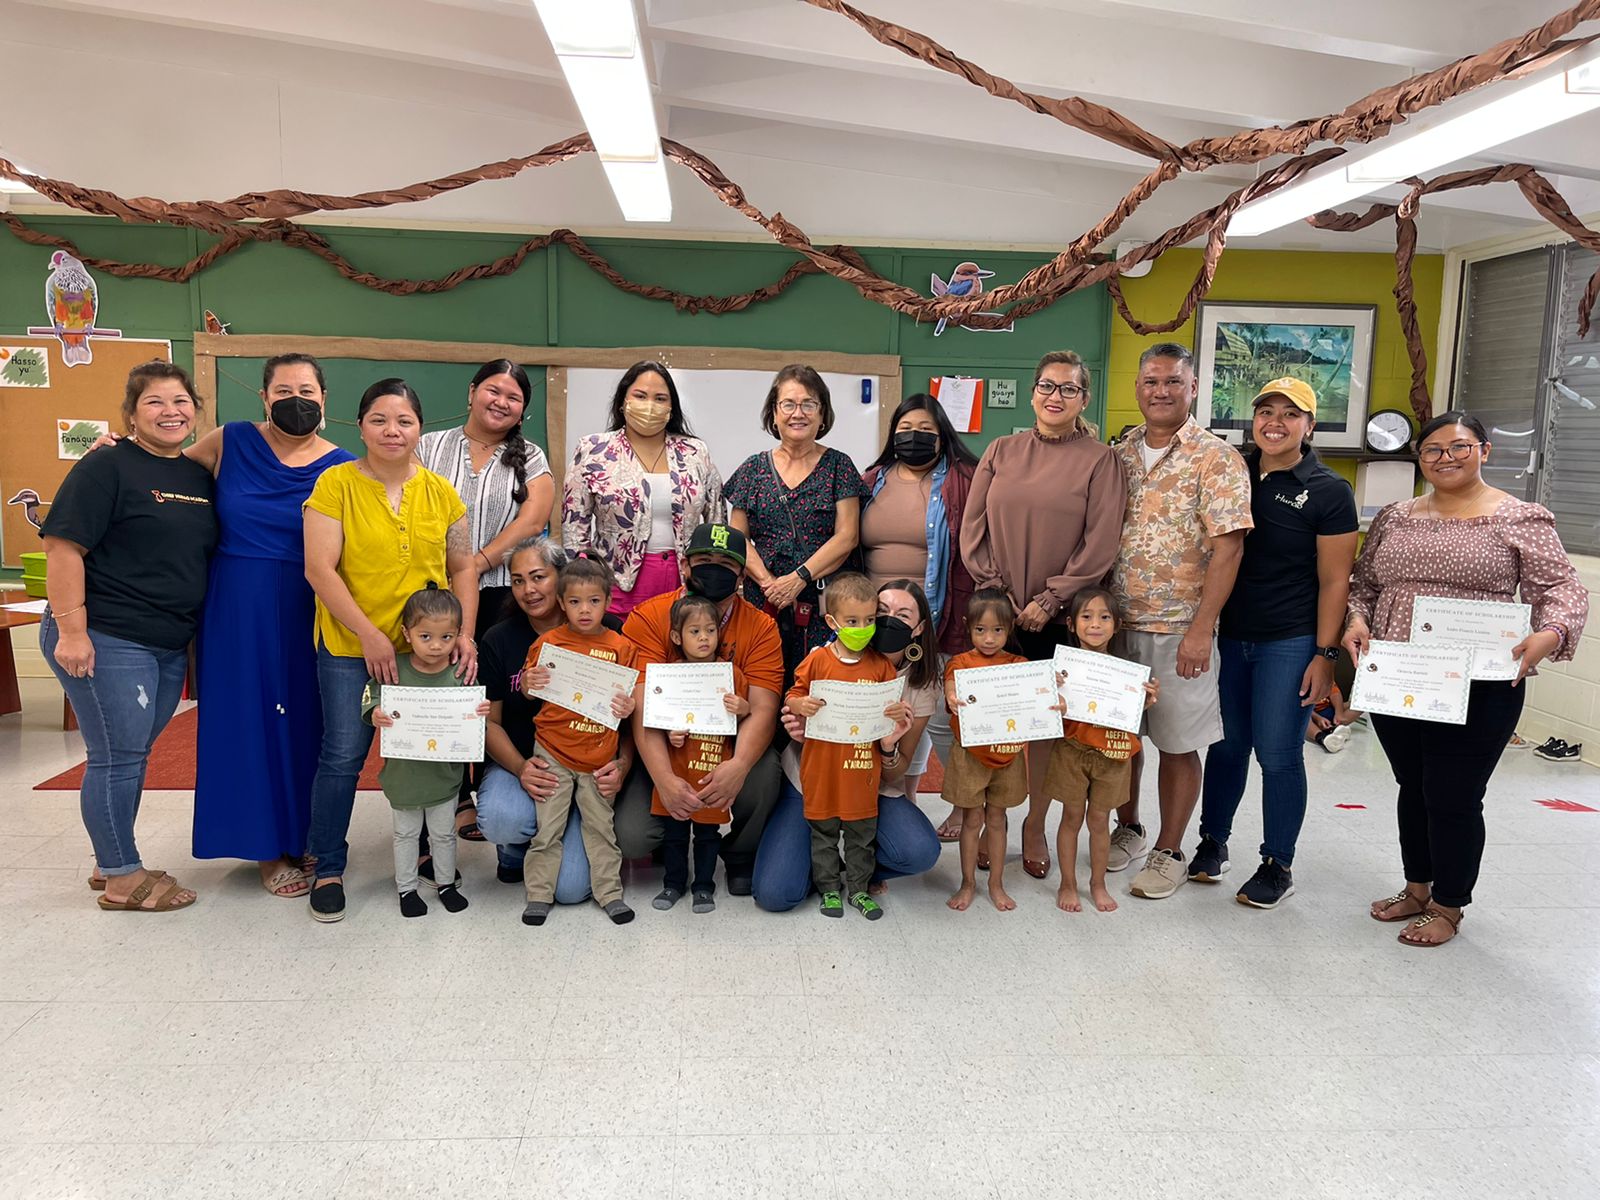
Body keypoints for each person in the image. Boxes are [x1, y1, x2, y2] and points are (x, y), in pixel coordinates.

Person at [86, 352, 354, 897]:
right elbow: (161, 469)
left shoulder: (345, 465)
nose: (294, 400)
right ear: (264, 397)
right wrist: (114, 450)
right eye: (282, 390)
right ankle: (261, 847)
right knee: (246, 721)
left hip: (312, 602)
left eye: (306, 390)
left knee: (307, 720)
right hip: (236, 602)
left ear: (324, 400)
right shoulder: (231, 440)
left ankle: (300, 831)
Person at [1345, 412, 1587, 947]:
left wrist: (1549, 633)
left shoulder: (1519, 517)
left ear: (1485, 450)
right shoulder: (1395, 516)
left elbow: (1563, 590)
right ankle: (1416, 887)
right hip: (1402, 675)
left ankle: (1450, 904)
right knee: (1414, 784)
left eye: (1459, 447)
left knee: (1453, 793)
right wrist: (1358, 620)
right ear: (1419, 458)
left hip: (1480, 681)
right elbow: (1364, 583)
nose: (1445, 458)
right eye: (1432, 450)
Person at [39, 360, 218, 913]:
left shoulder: (194, 473)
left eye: (180, 402)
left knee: (132, 753)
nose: (171, 412)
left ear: (195, 410)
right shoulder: (107, 466)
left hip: (166, 642)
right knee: (116, 756)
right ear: (130, 415)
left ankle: (108, 855)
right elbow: (64, 547)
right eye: (155, 403)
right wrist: (72, 631)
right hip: (105, 634)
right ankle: (120, 877)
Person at [302, 378, 479, 924]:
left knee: (428, 751)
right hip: (351, 647)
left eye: (404, 421)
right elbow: (318, 568)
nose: (392, 430)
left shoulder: (441, 493)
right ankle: (328, 866)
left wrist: (464, 632)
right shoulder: (335, 485)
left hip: (426, 652)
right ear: (361, 427)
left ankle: (426, 854)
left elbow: (462, 567)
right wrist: (369, 635)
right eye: (380, 420)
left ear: (420, 430)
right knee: (343, 754)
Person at [1188, 379, 1358, 909]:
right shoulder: (1232, 471)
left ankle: (1276, 863)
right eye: (1265, 411)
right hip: (1231, 635)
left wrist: (1324, 657)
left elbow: (1335, 582)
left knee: (1279, 752)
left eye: (1291, 413)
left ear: (1310, 425)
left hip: (1289, 639)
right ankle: (1212, 843)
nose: (1275, 422)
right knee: (1226, 744)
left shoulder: (1328, 490)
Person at [960, 350, 1126, 878]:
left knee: (1050, 732)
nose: (1056, 397)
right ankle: (993, 818)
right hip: (1000, 614)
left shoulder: (1102, 460)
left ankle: (1034, 825)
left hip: (1063, 619)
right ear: (1033, 392)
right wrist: (998, 592)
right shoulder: (1001, 451)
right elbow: (973, 528)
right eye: (1047, 386)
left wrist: (1050, 599)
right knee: (996, 722)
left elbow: (1102, 542)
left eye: (1069, 389)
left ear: (1084, 398)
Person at [1108, 342, 1252, 901]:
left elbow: (1229, 550)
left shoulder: (1215, 458)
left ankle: (1170, 847)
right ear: (1137, 388)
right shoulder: (1119, 454)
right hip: (1115, 627)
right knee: (1121, 739)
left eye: (1172, 382)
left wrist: (1200, 631)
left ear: (1193, 389)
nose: (1160, 391)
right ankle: (1130, 828)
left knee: (1176, 742)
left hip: (1178, 630)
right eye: (1150, 382)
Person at [417, 359, 553, 840]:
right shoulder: (428, 445)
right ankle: (450, 798)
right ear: (473, 391)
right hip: (430, 595)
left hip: (500, 591)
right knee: (441, 689)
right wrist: (455, 569)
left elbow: (535, 517)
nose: (501, 402)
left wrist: (478, 560)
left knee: (483, 693)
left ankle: (484, 785)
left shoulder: (530, 457)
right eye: (493, 391)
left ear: (522, 412)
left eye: (513, 397)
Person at [754, 580, 944, 912]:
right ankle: (821, 867)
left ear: (919, 628)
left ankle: (853, 871)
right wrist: (799, 721)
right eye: (880, 612)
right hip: (814, 780)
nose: (884, 622)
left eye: (902, 615)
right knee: (776, 893)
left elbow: (899, 769)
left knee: (918, 850)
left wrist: (887, 747)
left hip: (869, 784)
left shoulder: (915, 682)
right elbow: (794, 697)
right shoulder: (822, 658)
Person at [620, 523, 786, 895]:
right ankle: (671, 837)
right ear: (685, 565)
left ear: (742, 575)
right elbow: (642, 706)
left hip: (725, 744)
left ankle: (740, 854)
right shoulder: (649, 617)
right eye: (704, 560)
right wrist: (664, 779)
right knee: (631, 838)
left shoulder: (760, 627)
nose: (714, 569)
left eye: (726, 563)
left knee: (762, 774)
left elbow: (763, 708)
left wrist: (739, 766)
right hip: (668, 744)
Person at [860, 393, 979, 836]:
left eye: (927, 431)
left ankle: (964, 805)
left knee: (944, 715)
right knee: (898, 708)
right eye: (906, 429)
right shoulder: (870, 479)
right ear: (892, 435)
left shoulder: (962, 480)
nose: (914, 438)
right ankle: (903, 796)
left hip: (938, 614)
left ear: (943, 435)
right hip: (873, 620)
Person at [474, 537, 614, 902]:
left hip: (586, 767)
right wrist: (521, 768)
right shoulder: (499, 638)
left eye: (538, 577)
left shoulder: (609, 631)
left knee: (569, 890)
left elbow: (630, 714)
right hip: (526, 764)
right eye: (517, 580)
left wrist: (624, 762)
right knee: (503, 817)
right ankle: (515, 849)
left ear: (561, 576)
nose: (528, 590)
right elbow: (489, 722)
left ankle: (556, 837)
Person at [725, 364, 868, 681]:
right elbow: (737, 538)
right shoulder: (752, 468)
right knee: (762, 684)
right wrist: (769, 584)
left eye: (809, 404)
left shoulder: (839, 466)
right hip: (765, 602)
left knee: (818, 690)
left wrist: (798, 578)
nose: (798, 413)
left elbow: (847, 536)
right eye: (788, 404)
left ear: (822, 414)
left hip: (824, 604)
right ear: (774, 414)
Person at [518, 556, 640, 927]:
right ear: (561, 602)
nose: (584, 610)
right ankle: (539, 894)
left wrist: (629, 704)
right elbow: (528, 691)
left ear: (608, 601)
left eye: (593, 602)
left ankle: (610, 894)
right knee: (548, 829)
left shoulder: (622, 647)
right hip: (552, 752)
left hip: (599, 757)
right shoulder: (548, 643)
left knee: (601, 828)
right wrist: (527, 684)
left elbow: (631, 707)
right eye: (574, 602)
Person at [784, 572, 914, 919]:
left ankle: (858, 890)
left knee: (861, 838)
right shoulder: (817, 661)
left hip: (862, 773)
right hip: (821, 771)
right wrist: (799, 705)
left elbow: (892, 709)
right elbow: (793, 694)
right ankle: (828, 890)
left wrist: (898, 713)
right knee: (823, 835)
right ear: (832, 621)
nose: (863, 627)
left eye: (870, 620)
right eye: (853, 621)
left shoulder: (882, 666)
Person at [562, 360, 724, 616]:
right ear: (622, 401)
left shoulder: (695, 452)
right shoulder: (593, 449)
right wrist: (584, 587)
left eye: (660, 398)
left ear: (672, 408)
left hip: (687, 582)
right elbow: (574, 530)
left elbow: (717, 520)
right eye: (640, 396)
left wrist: (713, 573)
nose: (650, 405)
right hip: (616, 583)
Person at [363, 586, 486, 917]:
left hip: (444, 778)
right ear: (407, 633)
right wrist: (374, 712)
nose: (436, 646)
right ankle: (407, 889)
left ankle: (445, 884)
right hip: (404, 776)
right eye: (426, 636)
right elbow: (370, 698)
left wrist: (478, 712)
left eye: (446, 637)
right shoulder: (395, 670)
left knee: (444, 835)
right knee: (405, 835)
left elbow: (472, 716)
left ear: (458, 635)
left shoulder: (460, 674)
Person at [1045, 587, 1157, 914]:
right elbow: (1043, 709)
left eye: (1104, 617)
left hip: (1113, 754)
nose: (1095, 624)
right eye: (1087, 616)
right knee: (1071, 817)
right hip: (1071, 749)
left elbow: (1131, 714)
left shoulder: (1127, 675)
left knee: (1099, 819)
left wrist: (1145, 700)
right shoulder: (1059, 671)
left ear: (1117, 624)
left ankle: (1097, 883)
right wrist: (1050, 692)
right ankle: (1067, 882)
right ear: (1071, 623)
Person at [650, 593, 752, 913]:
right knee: (675, 835)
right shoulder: (668, 675)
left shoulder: (730, 674)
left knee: (708, 835)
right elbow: (659, 722)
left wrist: (741, 707)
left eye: (710, 630)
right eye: (695, 632)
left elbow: (748, 715)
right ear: (677, 637)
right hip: (678, 771)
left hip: (710, 769)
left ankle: (704, 887)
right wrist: (672, 733)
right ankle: (673, 884)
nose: (704, 637)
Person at [943, 590, 1030, 913]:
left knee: (997, 818)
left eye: (997, 630)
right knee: (971, 819)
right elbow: (951, 686)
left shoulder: (1019, 665)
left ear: (1009, 628)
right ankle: (967, 883)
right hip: (971, 755)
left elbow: (1034, 699)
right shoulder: (959, 663)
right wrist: (952, 697)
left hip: (1007, 755)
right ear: (968, 627)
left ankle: (996, 883)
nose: (989, 638)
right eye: (981, 630)